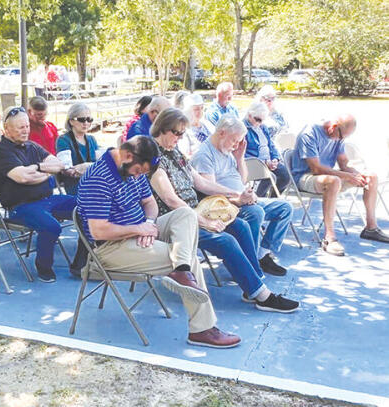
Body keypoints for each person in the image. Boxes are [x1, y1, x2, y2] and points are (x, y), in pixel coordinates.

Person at [77, 135, 241, 348]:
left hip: (140, 231)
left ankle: (180, 270)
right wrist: (138, 229)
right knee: (188, 257)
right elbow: (98, 231)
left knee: (186, 214)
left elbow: (150, 203)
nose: (139, 176)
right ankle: (202, 329)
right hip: (110, 247)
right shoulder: (97, 178)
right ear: (127, 155)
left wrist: (148, 224)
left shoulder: (134, 165)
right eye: (138, 171)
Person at [150, 108, 299, 312]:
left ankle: (253, 287)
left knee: (241, 226)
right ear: (162, 129)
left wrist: (234, 195)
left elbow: (200, 182)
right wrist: (206, 222)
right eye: (176, 133)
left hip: (194, 211)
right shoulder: (153, 157)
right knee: (226, 239)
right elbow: (170, 199)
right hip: (175, 221)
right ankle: (262, 295)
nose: (180, 137)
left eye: (182, 133)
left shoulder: (174, 152)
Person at [0, 106, 87, 282]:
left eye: (27, 125)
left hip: (48, 199)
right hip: (21, 206)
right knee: (52, 227)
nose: (26, 130)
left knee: (88, 206)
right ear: (7, 129)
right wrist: (44, 172)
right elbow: (22, 177)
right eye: (20, 127)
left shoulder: (31, 146)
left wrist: (36, 168)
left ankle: (81, 263)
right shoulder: (1, 151)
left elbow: (57, 164)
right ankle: (43, 267)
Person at [192, 115, 292, 277]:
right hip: (225, 206)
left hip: (242, 199)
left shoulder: (227, 149)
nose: (237, 144)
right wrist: (239, 198)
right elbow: (210, 195)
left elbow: (242, 179)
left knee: (284, 208)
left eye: (239, 141)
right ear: (222, 133)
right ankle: (248, 266)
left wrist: (239, 158)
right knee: (255, 213)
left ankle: (261, 255)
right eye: (234, 140)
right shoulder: (205, 155)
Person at [291, 114, 389, 256]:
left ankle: (371, 228)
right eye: (342, 136)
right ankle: (329, 238)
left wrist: (356, 174)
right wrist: (346, 176)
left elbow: (343, 164)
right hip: (305, 177)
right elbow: (316, 169)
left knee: (371, 177)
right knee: (334, 181)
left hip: (330, 176)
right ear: (333, 127)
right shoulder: (309, 133)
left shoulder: (339, 135)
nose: (342, 140)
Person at [243, 102, 290, 197]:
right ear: (249, 115)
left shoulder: (263, 127)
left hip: (268, 161)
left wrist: (275, 159)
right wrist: (263, 162)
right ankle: (258, 199)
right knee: (269, 176)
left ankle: (273, 201)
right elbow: (241, 153)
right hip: (253, 163)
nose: (260, 123)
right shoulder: (242, 129)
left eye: (262, 120)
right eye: (258, 120)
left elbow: (271, 145)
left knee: (285, 175)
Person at [56, 103, 99, 195]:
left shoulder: (92, 139)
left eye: (89, 119)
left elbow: (102, 165)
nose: (86, 123)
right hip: (76, 188)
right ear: (71, 121)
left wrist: (85, 167)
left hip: (95, 185)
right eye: (81, 119)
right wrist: (93, 167)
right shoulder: (63, 140)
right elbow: (67, 170)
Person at [178, 93, 214, 158]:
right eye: (196, 109)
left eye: (202, 108)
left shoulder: (207, 124)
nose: (200, 111)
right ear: (188, 111)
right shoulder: (184, 130)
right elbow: (186, 154)